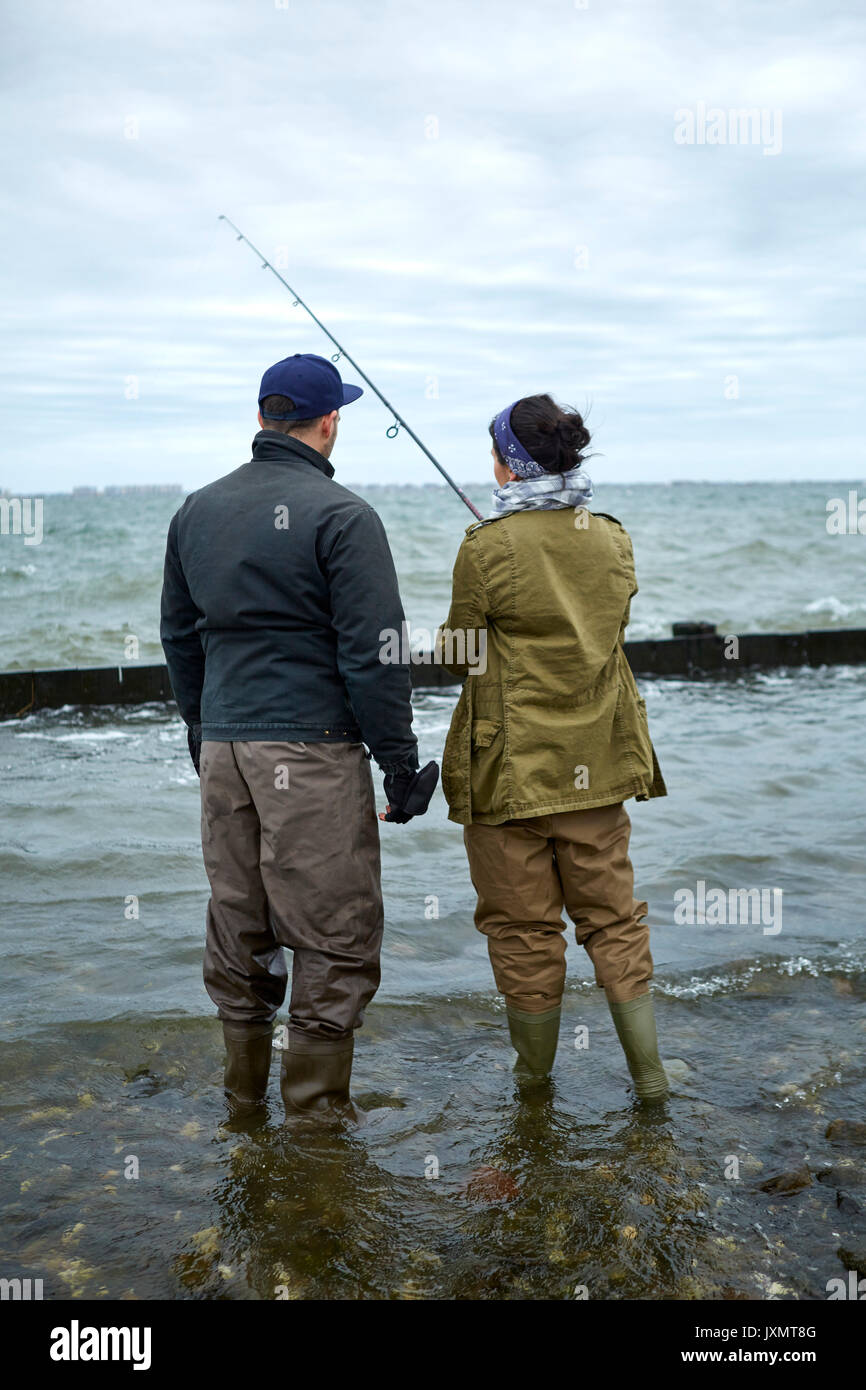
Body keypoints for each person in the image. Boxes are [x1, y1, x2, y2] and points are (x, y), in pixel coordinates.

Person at [160, 352, 438, 1124]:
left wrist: (202, 731)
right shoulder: (344, 516)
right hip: (310, 752)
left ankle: (243, 1106)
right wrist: (401, 764)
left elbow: (180, 639)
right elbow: (375, 652)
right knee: (336, 933)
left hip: (224, 748)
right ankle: (315, 1119)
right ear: (329, 422)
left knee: (240, 924)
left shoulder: (195, 511)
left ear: (261, 418)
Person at [437, 393, 669, 1101]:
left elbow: (459, 654)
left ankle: (533, 1085)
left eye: (496, 457)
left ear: (510, 465)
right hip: (596, 766)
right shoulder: (612, 536)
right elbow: (604, 633)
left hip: (509, 775)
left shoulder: (486, 547)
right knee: (615, 922)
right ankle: (651, 1078)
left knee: (522, 931)